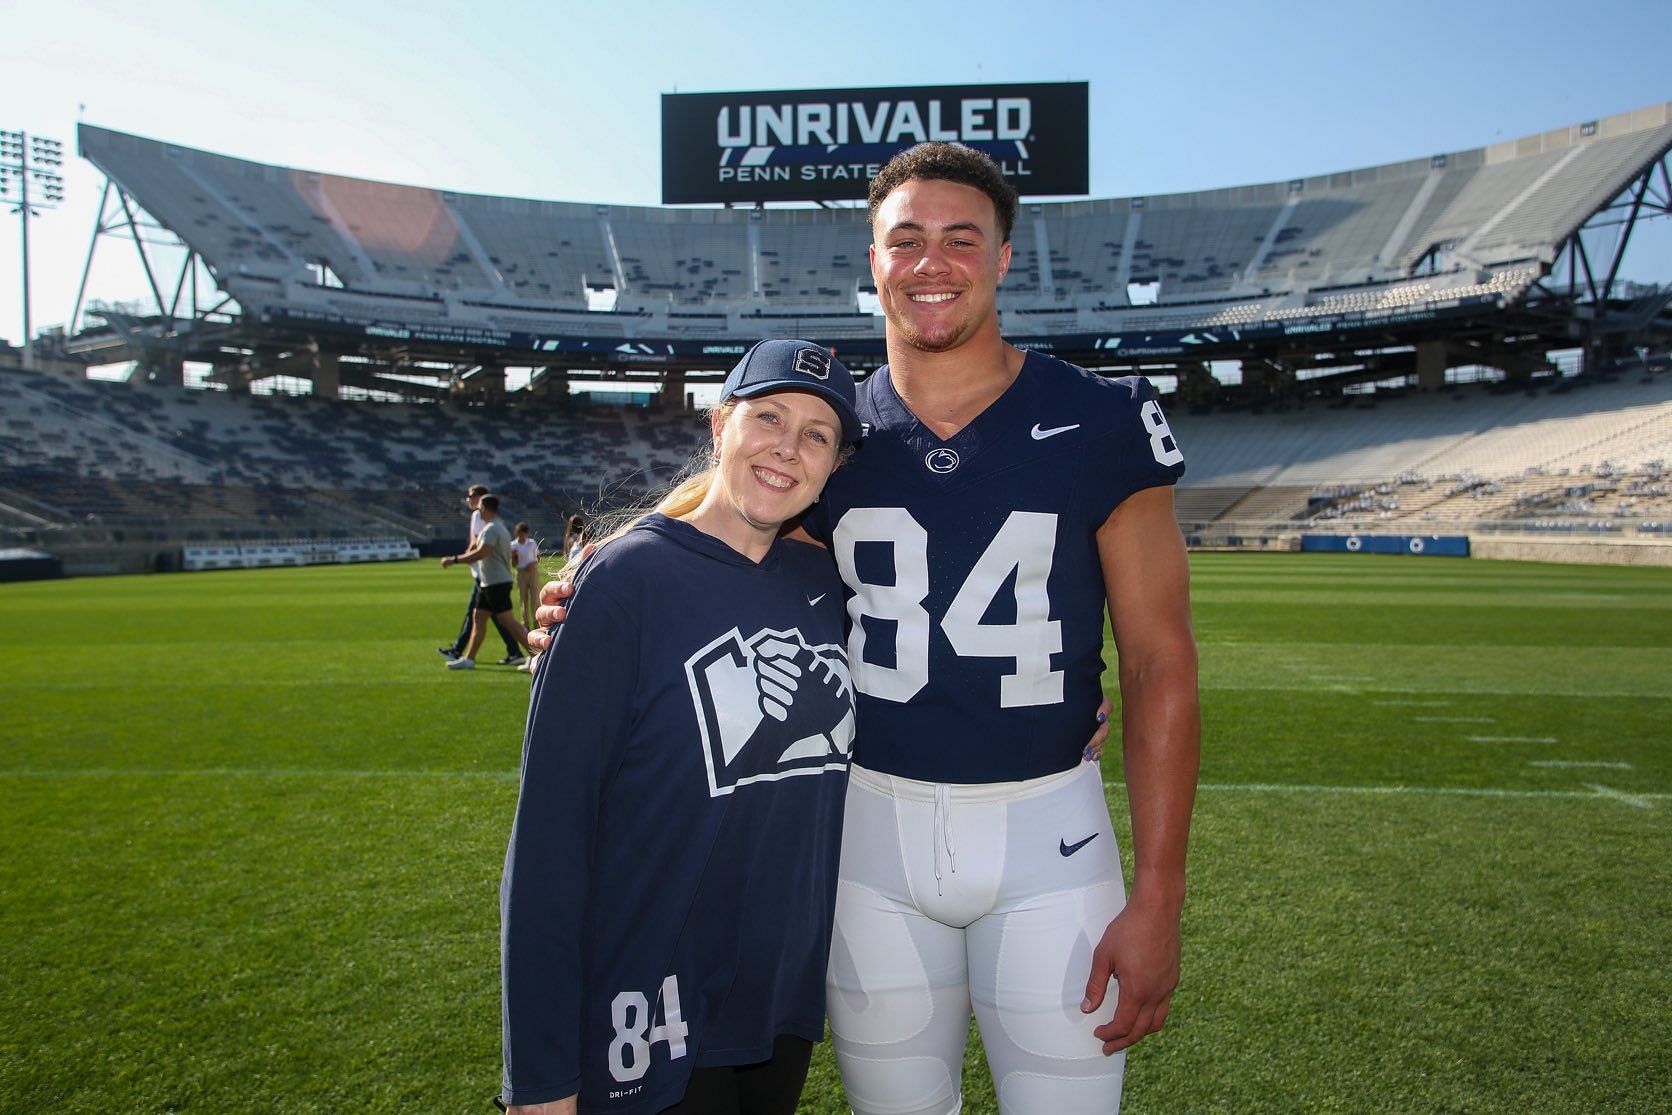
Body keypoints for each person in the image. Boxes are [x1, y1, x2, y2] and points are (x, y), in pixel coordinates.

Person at [535, 143, 1199, 1115]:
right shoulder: (833, 432)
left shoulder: (1098, 415)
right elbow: (718, 523)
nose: (933, 262)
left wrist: (1160, 895)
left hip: (1050, 835)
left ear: (1005, 257)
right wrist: (600, 581)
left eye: (960, 239)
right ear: (873, 261)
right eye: (906, 240)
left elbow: (1157, 659)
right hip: (867, 843)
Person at [500, 340, 865, 1114]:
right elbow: (549, 841)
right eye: (768, 416)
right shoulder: (624, 581)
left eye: (816, 434)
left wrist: (1075, 713)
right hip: (647, 1006)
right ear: (718, 423)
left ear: (834, 465)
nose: (786, 447)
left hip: (777, 1006)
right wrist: (540, 1076)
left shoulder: (824, 584)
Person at [440, 484, 526, 666]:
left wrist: (454, 559)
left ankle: (535, 654)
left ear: (485, 509)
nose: (478, 511)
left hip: (496, 582)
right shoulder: (497, 527)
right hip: (489, 582)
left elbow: (481, 553)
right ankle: (469, 659)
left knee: (508, 622)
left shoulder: (491, 529)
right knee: (479, 617)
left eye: (480, 508)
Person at [511, 521, 541, 631]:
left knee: (535, 598)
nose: (521, 536)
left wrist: (532, 564)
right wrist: (514, 557)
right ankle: (526, 623)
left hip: (532, 571)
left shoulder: (532, 543)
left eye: (523, 533)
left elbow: (538, 557)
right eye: (519, 533)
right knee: (523, 598)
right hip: (521, 572)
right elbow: (513, 564)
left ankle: (536, 621)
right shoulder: (513, 545)